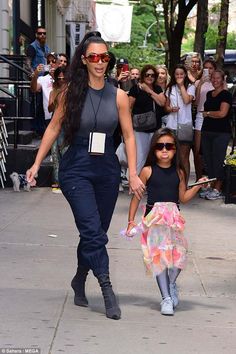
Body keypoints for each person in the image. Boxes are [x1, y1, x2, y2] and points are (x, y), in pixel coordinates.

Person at [26, 32, 144, 320]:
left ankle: (79, 278)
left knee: (95, 233)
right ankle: (106, 287)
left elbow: (128, 136)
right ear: (84, 59)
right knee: (93, 231)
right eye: (94, 57)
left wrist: (132, 171)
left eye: (104, 57)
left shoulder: (118, 96)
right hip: (76, 166)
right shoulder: (71, 93)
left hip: (106, 168)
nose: (100, 62)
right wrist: (35, 163)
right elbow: (54, 128)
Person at [125, 128, 207, 316]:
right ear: (153, 149)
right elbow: (136, 198)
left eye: (169, 146)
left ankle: (171, 284)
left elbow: (183, 198)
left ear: (175, 149)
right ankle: (166, 298)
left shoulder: (179, 172)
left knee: (179, 257)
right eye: (160, 146)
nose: (164, 150)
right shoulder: (147, 171)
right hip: (154, 219)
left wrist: (198, 187)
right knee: (159, 259)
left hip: (174, 220)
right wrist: (131, 221)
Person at [201, 69, 232, 200]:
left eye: (218, 78)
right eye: (213, 78)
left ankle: (218, 189)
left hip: (221, 132)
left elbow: (222, 113)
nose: (215, 80)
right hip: (207, 130)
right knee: (208, 161)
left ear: (223, 79)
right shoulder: (209, 94)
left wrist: (207, 113)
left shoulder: (226, 95)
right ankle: (212, 186)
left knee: (218, 160)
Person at [129, 64, 166, 174]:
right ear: (142, 76)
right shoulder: (135, 89)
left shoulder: (157, 88)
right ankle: (138, 184)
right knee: (140, 156)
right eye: (147, 75)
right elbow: (129, 107)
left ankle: (150, 182)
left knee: (154, 156)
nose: (150, 77)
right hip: (140, 128)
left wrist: (149, 91)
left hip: (155, 127)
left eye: (153, 75)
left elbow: (162, 102)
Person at [165, 64, 195, 182]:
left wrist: (181, 85)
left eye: (181, 74)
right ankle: (172, 182)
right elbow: (166, 106)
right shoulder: (170, 88)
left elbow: (187, 100)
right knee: (170, 156)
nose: (179, 76)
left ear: (185, 75)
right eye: (177, 74)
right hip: (171, 125)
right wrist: (170, 109)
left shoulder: (190, 86)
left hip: (185, 125)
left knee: (184, 157)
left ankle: (184, 183)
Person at [194, 58, 217, 182]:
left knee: (212, 150)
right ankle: (199, 178)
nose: (208, 70)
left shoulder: (218, 81)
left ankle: (213, 179)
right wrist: (201, 84)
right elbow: (196, 103)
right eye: (206, 68)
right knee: (198, 150)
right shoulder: (198, 82)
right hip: (201, 115)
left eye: (211, 68)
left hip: (214, 116)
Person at [48, 66, 67, 193]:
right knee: (54, 152)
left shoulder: (70, 90)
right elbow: (49, 109)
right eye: (59, 77)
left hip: (66, 124)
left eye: (63, 77)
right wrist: (55, 101)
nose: (61, 79)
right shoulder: (53, 91)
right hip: (55, 124)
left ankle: (66, 180)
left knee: (65, 151)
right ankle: (57, 181)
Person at [30, 52, 59, 127]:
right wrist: (36, 74)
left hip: (62, 115)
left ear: (58, 63)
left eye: (53, 61)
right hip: (49, 116)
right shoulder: (43, 78)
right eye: (48, 62)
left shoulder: (64, 76)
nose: (51, 63)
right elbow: (34, 89)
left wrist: (55, 76)